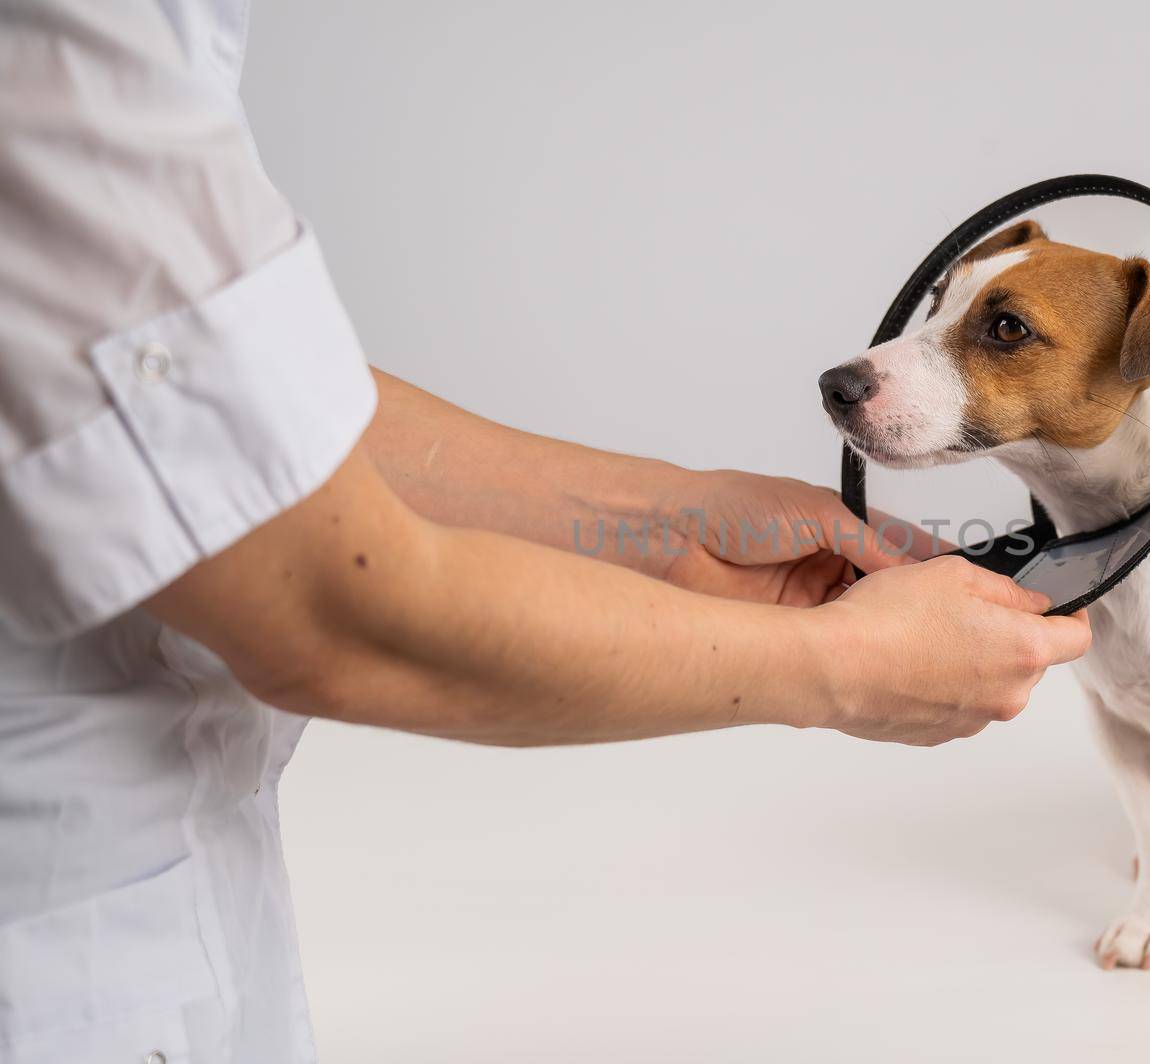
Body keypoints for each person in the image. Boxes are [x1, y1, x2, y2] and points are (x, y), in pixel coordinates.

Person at [0, 2, 1092, 1060]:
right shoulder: (59, 57)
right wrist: (846, 666)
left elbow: (227, 398)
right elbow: (336, 616)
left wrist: (666, 520)